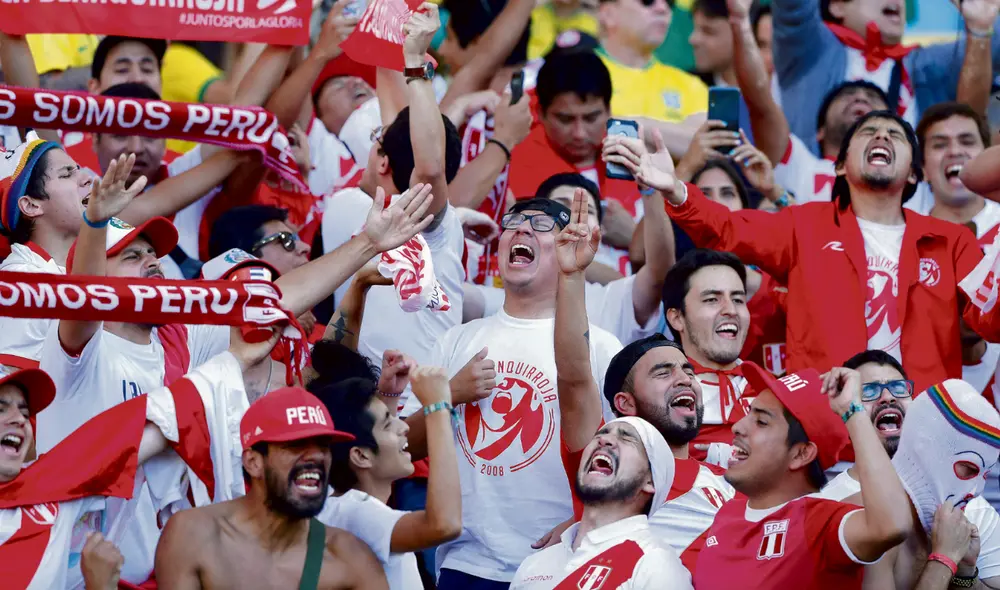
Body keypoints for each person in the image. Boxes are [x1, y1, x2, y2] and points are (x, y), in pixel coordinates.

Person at [629, 108, 1000, 391]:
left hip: (919, 429)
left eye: (895, 136)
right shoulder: (802, 226)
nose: (882, 137)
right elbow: (727, 229)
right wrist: (675, 189)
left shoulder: (951, 241)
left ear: (914, 174)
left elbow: (991, 320)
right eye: (869, 132)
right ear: (839, 166)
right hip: (827, 429)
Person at [401, 196, 621, 589]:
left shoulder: (601, 348)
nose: (521, 229)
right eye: (514, 221)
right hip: (468, 563)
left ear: (569, 247)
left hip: (562, 560)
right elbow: (402, 448)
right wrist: (450, 393)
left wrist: (581, 520)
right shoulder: (457, 341)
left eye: (540, 225)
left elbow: (626, 458)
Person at [1, 327, 277, 589]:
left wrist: (237, 359)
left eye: (25, 413)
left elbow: (163, 419)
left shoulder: (50, 490)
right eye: (1, 410)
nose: (19, 421)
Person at [550, 188, 734, 570]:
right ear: (625, 404)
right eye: (663, 372)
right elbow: (574, 377)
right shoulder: (612, 465)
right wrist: (571, 277)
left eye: (687, 370)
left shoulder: (730, 479)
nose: (684, 379)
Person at [694, 363, 912, 587]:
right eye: (749, 413)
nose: (737, 427)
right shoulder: (726, 512)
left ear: (801, 453)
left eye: (761, 421)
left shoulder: (819, 522)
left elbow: (892, 526)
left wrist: (852, 411)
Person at [154, 386, 390, 589]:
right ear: (253, 462)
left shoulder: (350, 560)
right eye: (296, 444)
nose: (316, 455)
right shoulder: (193, 535)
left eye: (323, 445)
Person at [816, 353, 1000, 589]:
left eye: (899, 388)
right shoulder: (842, 511)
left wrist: (965, 573)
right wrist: (944, 558)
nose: (888, 397)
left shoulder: (971, 507)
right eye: (869, 391)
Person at [773, 0, 1000, 150]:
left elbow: (993, 43)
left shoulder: (929, 64)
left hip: (911, 213)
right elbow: (793, 7)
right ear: (837, 6)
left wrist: (982, 19)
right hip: (816, 208)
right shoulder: (809, 50)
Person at [312, 368, 461, 589]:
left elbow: (373, 447)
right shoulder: (358, 513)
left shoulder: (334, 505)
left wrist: (390, 396)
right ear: (360, 456)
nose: (405, 426)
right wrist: (438, 408)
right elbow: (445, 525)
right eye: (389, 423)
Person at [510, 417, 693, 589]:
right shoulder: (534, 564)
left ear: (651, 481)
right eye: (600, 434)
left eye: (627, 438)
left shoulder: (655, 564)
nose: (604, 440)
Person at [661, 249, 754, 459]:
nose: (731, 310)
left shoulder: (772, 390)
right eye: (712, 299)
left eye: (738, 300)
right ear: (677, 318)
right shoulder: (656, 395)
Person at [596, 0, 707, 122]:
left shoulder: (691, 87)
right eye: (648, 1)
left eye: (669, 2)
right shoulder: (578, 74)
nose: (662, 9)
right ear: (608, 14)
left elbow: (705, 137)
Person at [911, 102, 999, 247]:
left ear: (986, 154)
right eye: (940, 145)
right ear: (922, 168)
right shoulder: (906, 239)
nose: (955, 151)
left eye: (967, 142)